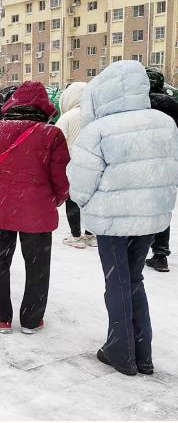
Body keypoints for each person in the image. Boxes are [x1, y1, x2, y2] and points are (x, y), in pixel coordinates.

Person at [67, 61, 178, 376]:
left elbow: (80, 184)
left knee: (116, 282)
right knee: (133, 279)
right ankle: (143, 354)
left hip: (112, 219)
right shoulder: (164, 123)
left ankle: (121, 352)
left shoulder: (98, 130)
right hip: (151, 216)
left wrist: (87, 204)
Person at [0, 80, 69, 335]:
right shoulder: (52, 134)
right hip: (37, 211)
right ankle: (32, 319)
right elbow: (61, 176)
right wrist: (57, 198)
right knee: (37, 267)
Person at [55, 82, 96, 249]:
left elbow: (57, 143)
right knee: (91, 200)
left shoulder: (67, 117)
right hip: (94, 166)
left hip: (72, 166)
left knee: (72, 200)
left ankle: (76, 235)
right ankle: (91, 234)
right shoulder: (96, 115)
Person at [145, 68, 178, 273]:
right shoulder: (173, 105)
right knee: (162, 207)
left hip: (145, 164)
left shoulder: (141, 104)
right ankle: (160, 253)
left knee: (143, 207)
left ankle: (137, 248)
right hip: (169, 164)